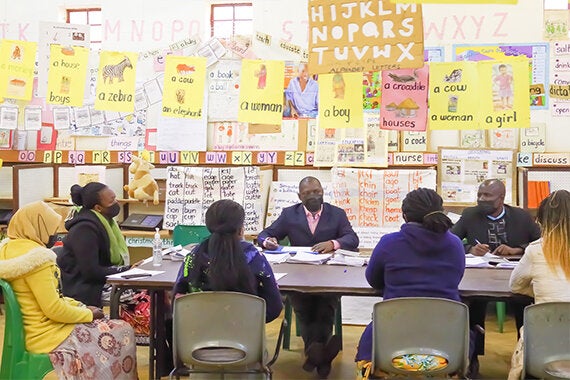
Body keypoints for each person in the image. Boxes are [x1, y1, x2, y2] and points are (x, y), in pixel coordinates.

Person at [0, 201, 137, 379]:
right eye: (51, 229)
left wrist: (80, 307)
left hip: (29, 330)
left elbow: (50, 300)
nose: (54, 236)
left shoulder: (9, 250)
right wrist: (89, 314)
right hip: (49, 335)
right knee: (122, 329)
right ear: (38, 227)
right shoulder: (38, 260)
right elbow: (54, 309)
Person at [354, 188, 465, 377]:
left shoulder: (389, 243)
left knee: (372, 337)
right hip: (445, 341)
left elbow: (373, 279)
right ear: (440, 211)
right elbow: (456, 278)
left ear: (404, 215)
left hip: (392, 338)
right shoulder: (455, 244)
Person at [257, 176, 359, 379]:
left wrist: (333, 243)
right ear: (299, 196)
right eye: (307, 193)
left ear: (322, 191)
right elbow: (263, 234)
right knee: (303, 306)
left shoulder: (336, 213)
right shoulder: (289, 214)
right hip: (299, 274)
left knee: (324, 306)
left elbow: (352, 238)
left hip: (328, 276)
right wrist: (267, 241)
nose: (313, 196)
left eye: (317, 191)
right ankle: (321, 355)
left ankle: (314, 353)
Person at [451, 178, 540, 375]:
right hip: (481, 275)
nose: (481, 199)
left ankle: (526, 359)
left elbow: (540, 240)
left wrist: (517, 249)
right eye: (479, 195)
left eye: (487, 196)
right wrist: (470, 249)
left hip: (516, 275)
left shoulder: (521, 216)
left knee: (525, 305)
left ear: (501, 198)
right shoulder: (469, 215)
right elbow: (450, 239)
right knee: (471, 304)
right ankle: (473, 358)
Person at [173, 199, 282, 323]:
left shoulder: (193, 256)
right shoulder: (253, 256)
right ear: (240, 229)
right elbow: (274, 306)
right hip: (244, 337)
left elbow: (177, 302)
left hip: (199, 337)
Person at [507, 190, 570, 379]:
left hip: (544, 347)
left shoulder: (536, 250)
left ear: (541, 220)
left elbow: (515, 286)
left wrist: (538, 291)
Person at [58, 182, 131, 308]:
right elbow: (91, 272)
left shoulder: (107, 222)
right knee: (143, 297)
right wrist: (126, 270)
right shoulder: (84, 229)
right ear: (98, 208)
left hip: (99, 283)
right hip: (85, 289)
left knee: (147, 292)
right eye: (112, 200)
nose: (116, 203)